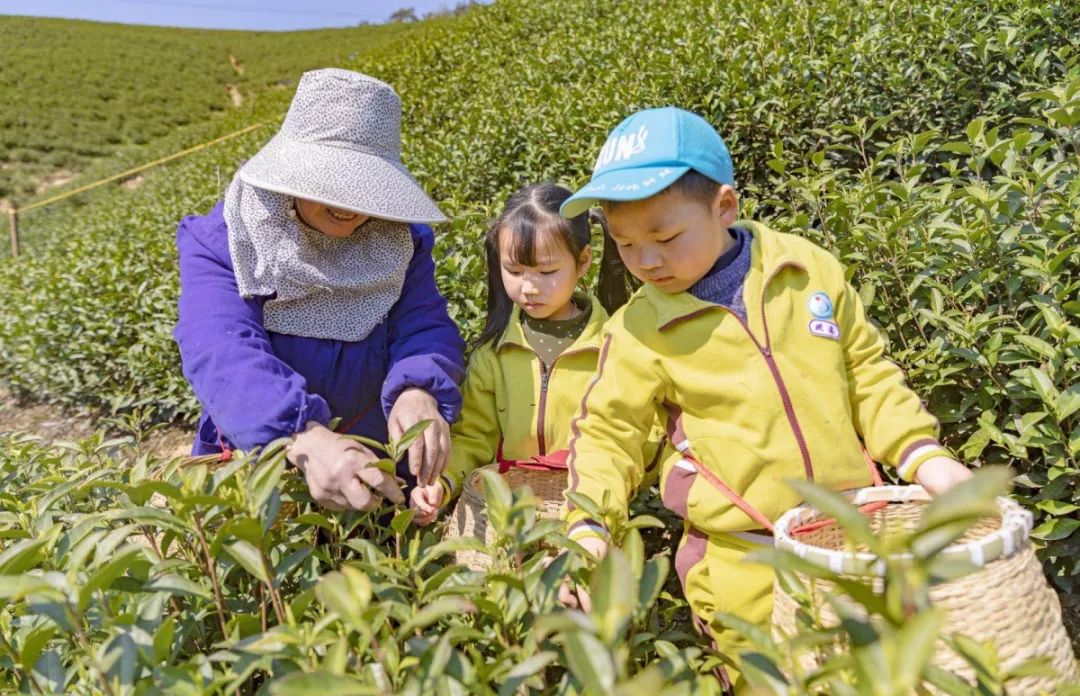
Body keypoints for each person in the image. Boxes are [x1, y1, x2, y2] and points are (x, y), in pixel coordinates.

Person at [556, 107, 973, 660]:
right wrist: (587, 529)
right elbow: (609, 435)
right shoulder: (638, 329)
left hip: (856, 543)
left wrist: (925, 457)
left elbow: (867, 376)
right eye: (626, 244)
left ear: (723, 207)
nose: (646, 260)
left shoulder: (806, 270)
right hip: (743, 570)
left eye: (665, 235)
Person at [173, 68, 465, 513]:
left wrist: (418, 388)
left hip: (375, 472)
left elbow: (424, 325)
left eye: (364, 189)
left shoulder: (401, 243)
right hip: (264, 465)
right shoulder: (225, 240)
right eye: (329, 185)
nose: (349, 207)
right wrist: (302, 435)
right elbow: (222, 351)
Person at [409, 183, 660, 523]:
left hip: (589, 511)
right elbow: (473, 437)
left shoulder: (615, 344)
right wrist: (441, 482)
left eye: (546, 272)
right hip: (507, 517)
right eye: (514, 271)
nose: (528, 287)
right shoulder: (494, 353)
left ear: (582, 261)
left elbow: (637, 433)